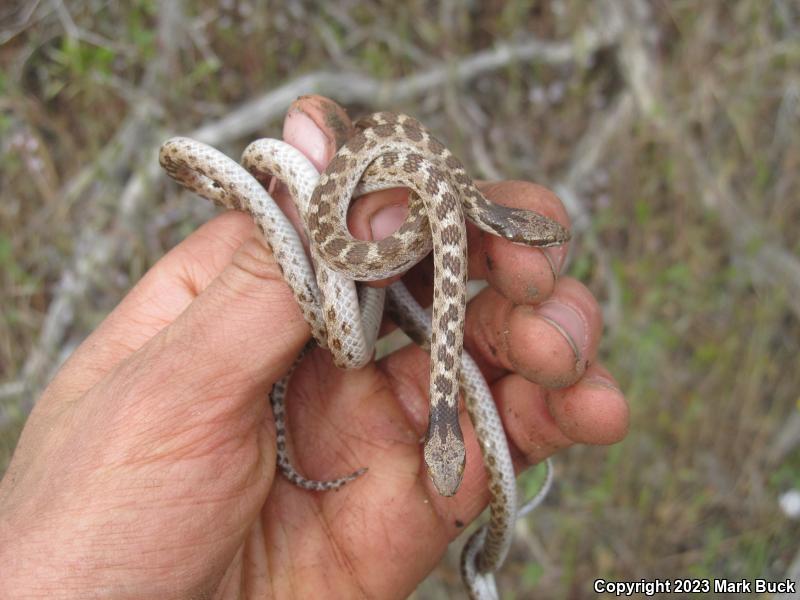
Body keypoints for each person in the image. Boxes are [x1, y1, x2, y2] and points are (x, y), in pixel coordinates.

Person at [0, 95, 628, 598]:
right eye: (448, 459)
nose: (447, 472)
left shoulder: (454, 209)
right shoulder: (430, 207)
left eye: (448, 459)